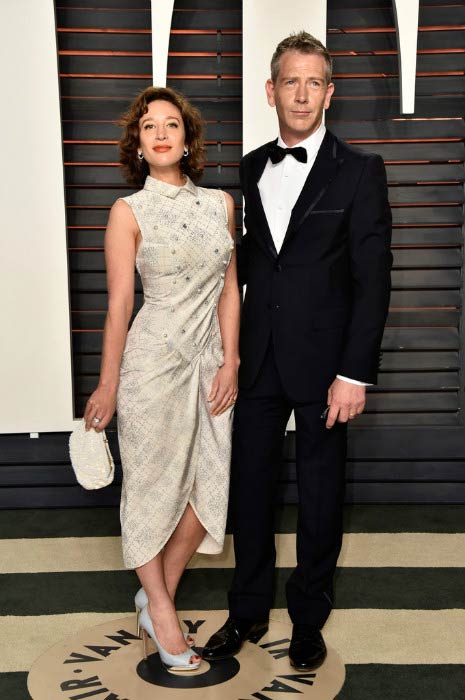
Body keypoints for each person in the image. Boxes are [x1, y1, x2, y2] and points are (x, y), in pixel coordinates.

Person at [203, 31, 392, 671]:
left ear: (330, 93)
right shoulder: (253, 166)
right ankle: (247, 610)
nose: (303, 94)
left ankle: (308, 616)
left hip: (325, 364)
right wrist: (226, 353)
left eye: (315, 82)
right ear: (271, 90)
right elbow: (251, 269)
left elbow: (373, 280)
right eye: (291, 81)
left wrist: (353, 374)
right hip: (257, 357)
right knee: (250, 491)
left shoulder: (362, 170)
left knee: (320, 493)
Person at [83, 86, 240, 674]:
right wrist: (107, 385)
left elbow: (229, 288)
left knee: (209, 491)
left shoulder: (221, 204)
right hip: (150, 366)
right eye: (149, 127)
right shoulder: (129, 212)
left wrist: (233, 361)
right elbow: (120, 303)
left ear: (187, 137)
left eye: (171, 123)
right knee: (150, 491)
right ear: (139, 145)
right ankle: (165, 617)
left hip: (210, 366)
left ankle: (155, 598)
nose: (161, 133)